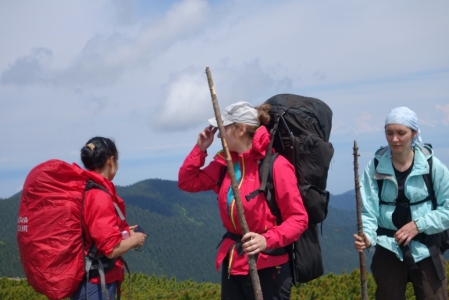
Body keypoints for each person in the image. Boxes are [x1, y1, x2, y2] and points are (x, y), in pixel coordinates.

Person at [178, 101, 308, 300]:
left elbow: (298, 219)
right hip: (234, 262)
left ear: (241, 129)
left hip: (269, 266)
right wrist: (200, 148)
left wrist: (266, 239)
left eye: (224, 128)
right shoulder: (225, 164)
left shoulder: (276, 166)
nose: (220, 135)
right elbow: (187, 182)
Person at [353, 107, 449, 300]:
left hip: (426, 246)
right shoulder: (375, 167)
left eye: (401, 133)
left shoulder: (432, 166)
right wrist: (367, 236)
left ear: (414, 133)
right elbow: (368, 210)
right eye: (389, 133)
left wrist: (418, 225)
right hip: (388, 246)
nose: (394, 139)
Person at [70, 137, 147, 300]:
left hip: (86, 281)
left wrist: (124, 232)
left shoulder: (85, 188)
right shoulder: (99, 196)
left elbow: (95, 235)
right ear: (111, 160)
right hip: (95, 285)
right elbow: (110, 249)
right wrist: (136, 240)